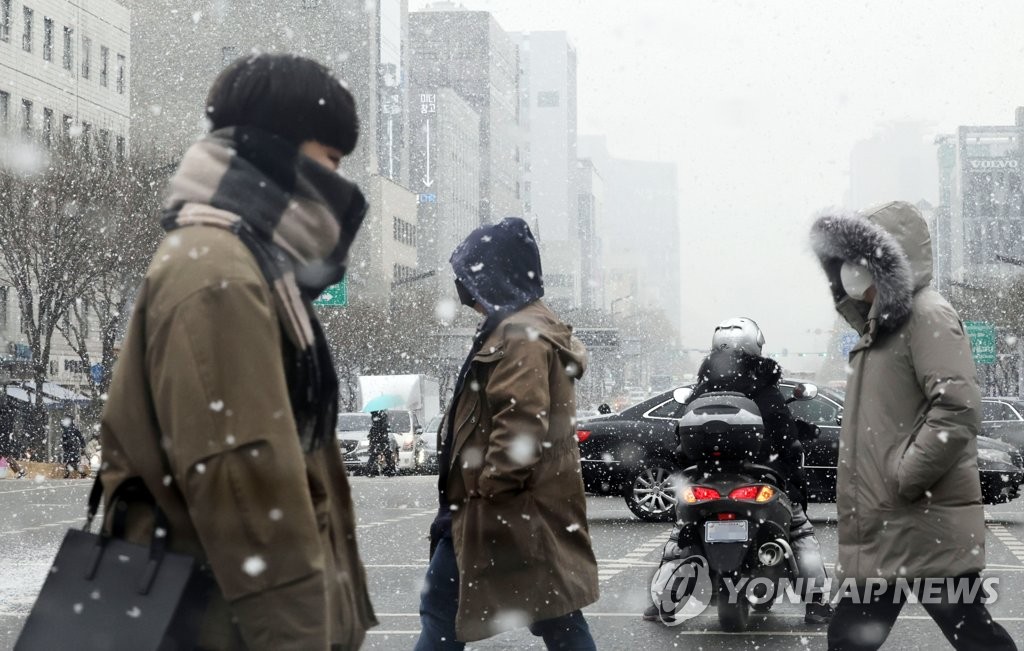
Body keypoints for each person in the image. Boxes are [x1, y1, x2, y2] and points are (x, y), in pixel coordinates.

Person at [97, 54, 376, 650]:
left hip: (211, 613)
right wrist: (300, 638)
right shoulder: (221, 271)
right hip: (214, 623)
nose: (340, 186)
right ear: (277, 151)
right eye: (329, 160)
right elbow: (247, 484)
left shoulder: (242, 261)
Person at [810, 202, 1017, 650]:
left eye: (858, 260)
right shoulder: (879, 329)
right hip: (892, 528)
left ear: (888, 263)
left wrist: (906, 476)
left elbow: (958, 408)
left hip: (918, 524)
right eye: (843, 261)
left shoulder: (926, 315)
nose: (849, 272)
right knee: (855, 639)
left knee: (970, 637)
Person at [415, 217, 600, 650]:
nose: (462, 290)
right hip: (523, 509)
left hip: (499, 508)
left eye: (468, 275)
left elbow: (520, 427)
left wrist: (485, 496)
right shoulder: (519, 325)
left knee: (440, 611)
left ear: (494, 274)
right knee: (558, 616)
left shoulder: (519, 334)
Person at [643, 317, 832, 624]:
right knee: (799, 530)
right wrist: (795, 482)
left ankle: (663, 599)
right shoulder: (765, 387)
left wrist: (691, 469)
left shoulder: (703, 389)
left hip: (707, 479)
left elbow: (681, 441)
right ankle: (818, 604)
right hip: (759, 478)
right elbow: (786, 440)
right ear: (755, 344)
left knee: (680, 533)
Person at [366, 410, 396, 477]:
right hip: (381, 439)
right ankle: (391, 470)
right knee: (387, 454)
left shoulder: (375, 416)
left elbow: (374, 429)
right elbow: (384, 427)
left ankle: (368, 471)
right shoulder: (381, 416)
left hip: (376, 439)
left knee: (373, 456)